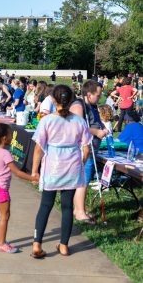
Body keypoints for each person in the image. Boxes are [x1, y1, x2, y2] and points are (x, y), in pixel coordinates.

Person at [31, 85, 91, 258]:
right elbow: (86, 149)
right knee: (67, 207)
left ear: (54, 100)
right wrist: (81, 162)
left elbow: (38, 148)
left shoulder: (47, 120)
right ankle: (64, 245)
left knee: (45, 206)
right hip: (72, 166)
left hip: (52, 167)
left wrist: (35, 171)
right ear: (71, 100)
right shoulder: (79, 121)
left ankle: (37, 244)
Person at [0, 123, 37, 253]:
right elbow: (17, 172)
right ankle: (2, 243)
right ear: (4, 138)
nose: (13, 137)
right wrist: (33, 178)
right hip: (0, 189)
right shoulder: (5, 153)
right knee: (5, 216)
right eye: (11, 135)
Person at [70, 80, 108, 223]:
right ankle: (80, 212)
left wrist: (103, 127)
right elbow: (79, 126)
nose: (100, 97)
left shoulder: (92, 105)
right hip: (85, 149)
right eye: (98, 95)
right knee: (83, 180)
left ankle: (78, 209)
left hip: (92, 148)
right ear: (89, 94)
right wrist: (97, 132)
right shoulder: (80, 105)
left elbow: (95, 121)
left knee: (84, 178)